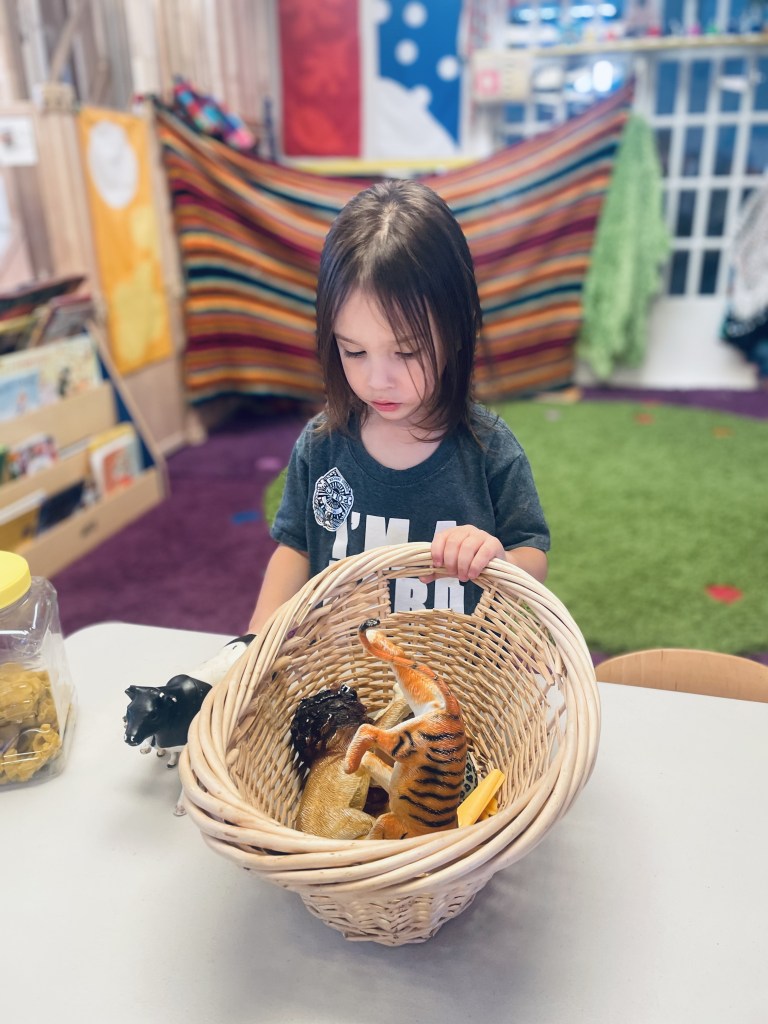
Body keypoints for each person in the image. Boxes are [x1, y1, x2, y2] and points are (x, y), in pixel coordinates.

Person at [248, 179, 549, 633]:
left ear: (456, 331)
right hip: (343, 666)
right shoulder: (322, 444)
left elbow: (532, 554)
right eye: (354, 351)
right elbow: (296, 548)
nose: (377, 380)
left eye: (406, 352)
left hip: (456, 666)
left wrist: (499, 560)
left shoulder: (489, 450)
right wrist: (253, 639)